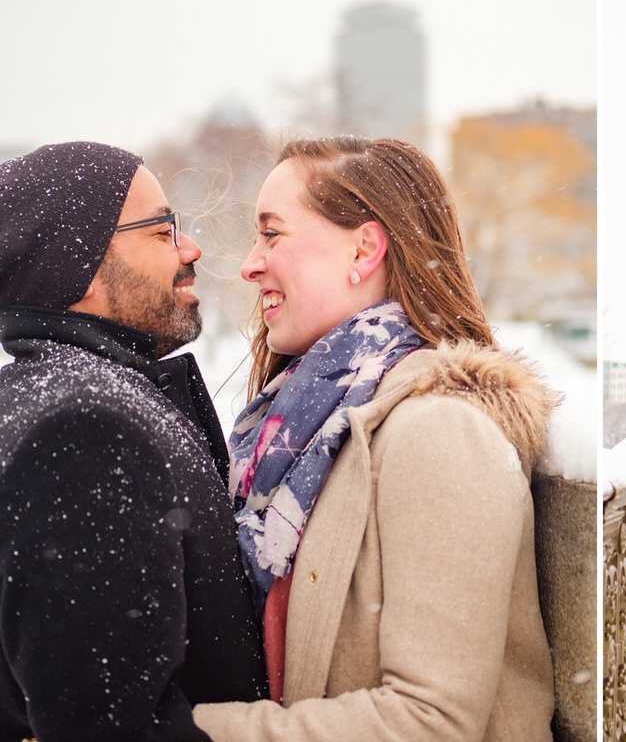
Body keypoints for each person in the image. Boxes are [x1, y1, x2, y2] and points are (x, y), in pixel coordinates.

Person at [192, 136, 557, 742]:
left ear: (364, 250)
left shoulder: (439, 431)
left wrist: (188, 733)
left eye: (272, 234)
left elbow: (431, 721)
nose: (250, 264)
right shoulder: (302, 429)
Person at [0, 141, 268, 741]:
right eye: (163, 230)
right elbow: (109, 725)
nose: (191, 250)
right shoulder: (83, 430)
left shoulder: (58, 398)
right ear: (80, 266)